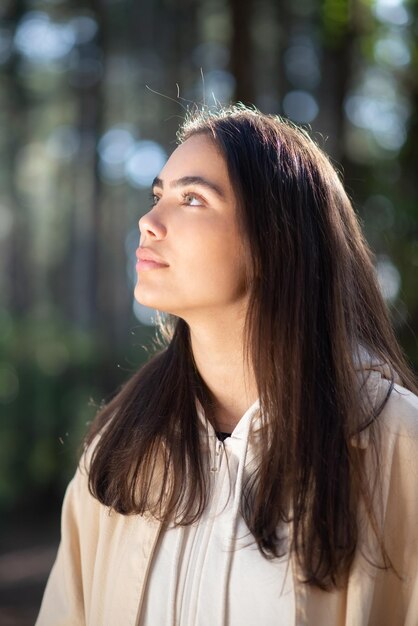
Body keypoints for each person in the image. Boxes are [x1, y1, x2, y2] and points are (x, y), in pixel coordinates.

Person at [36, 105, 418, 626]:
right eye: (157, 196)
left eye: (192, 199)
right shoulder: (119, 451)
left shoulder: (399, 451)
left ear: (274, 240)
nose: (148, 223)